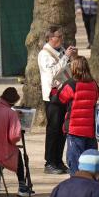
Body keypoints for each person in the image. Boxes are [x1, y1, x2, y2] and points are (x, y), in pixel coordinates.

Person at [38, 25, 77, 174]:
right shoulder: (44, 54)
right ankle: (49, 162)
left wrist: (72, 57)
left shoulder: (61, 50)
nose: (61, 39)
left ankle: (58, 161)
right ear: (50, 38)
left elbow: (68, 69)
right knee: (53, 130)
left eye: (62, 36)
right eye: (58, 37)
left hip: (65, 94)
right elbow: (53, 72)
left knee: (63, 130)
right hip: (52, 97)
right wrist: (66, 57)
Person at [57, 56, 99, 176]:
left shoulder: (71, 83)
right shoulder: (93, 84)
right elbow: (97, 95)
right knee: (90, 162)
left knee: (75, 161)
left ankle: (76, 185)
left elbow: (61, 97)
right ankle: (92, 183)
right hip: (90, 129)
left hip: (75, 129)